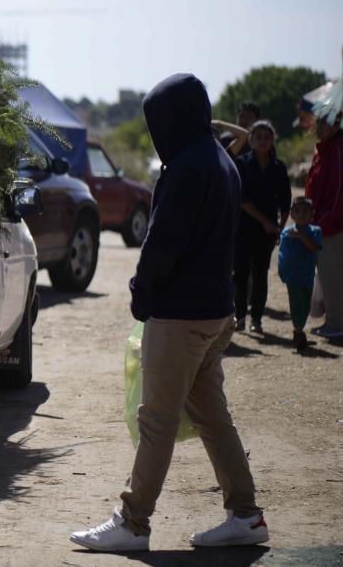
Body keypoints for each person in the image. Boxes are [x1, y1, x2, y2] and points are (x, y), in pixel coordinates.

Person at [70, 74, 267, 552]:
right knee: (213, 418)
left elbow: (161, 246)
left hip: (180, 317)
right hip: (216, 313)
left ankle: (134, 523)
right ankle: (246, 516)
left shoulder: (184, 169)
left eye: (158, 120)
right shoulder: (221, 161)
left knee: (155, 422)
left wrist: (141, 293)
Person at [231, 120, 291, 333]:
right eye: (259, 137)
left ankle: (256, 319)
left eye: (267, 137)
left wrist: (280, 229)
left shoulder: (279, 168)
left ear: (273, 140)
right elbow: (242, 198)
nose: (263, 141)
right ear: (251, 140)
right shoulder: (241, 164)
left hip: (266, 233)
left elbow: (286, 202)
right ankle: (239, 317)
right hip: (243, 228)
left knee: (260, 274)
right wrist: (265, 221)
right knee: (240, 274)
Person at [306, 80, 343, 338]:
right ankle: (334, 320)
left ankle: (337, 325)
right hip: (323, 225)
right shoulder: (325, 150)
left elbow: (339, 193)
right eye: (319, 120)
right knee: (328, 276)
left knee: (332, 277)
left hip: (332, 227)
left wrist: (323, 223)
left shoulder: (338, 150)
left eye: (325, 120)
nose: (320, 125)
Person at [278, 197, 322, 352]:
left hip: (307, 275)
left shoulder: (315, 231)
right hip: (293, 276)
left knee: (305, 304)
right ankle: (298, 332)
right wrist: (282, 270)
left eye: (305, 211)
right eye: (297, 211)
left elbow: (314, 248)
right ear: (291, 214)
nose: (301, 214)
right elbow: (282, 254)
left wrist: (302, 237)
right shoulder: (287, 232)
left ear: (312, 214)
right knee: (296, 302)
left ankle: (299, 327)